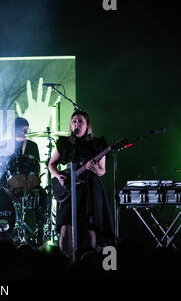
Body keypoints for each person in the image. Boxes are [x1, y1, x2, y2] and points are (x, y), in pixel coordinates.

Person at [48, 110, 114, 256]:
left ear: (87, 125)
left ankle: (88, 264)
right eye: (74, 121)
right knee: (65, 228)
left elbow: (102, 171)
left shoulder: (97, 144)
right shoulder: (65, 144)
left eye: (80, 121)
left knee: (90, 229)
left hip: (90, 189)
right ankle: (65, 263)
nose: (76, 124)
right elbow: (51, 164)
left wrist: (95, 168)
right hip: (70, 190)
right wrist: (59, 176)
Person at [0, 117, 49, 246]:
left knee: (43, 195)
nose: (25, 132)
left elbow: (36, 167)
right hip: (9, 185)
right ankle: (1, 233)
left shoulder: (32, 145)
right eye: (21, 130)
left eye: (26, 130)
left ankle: (40, 232)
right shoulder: (5, 145)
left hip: (29, 185)